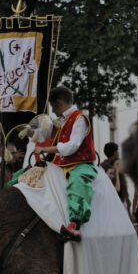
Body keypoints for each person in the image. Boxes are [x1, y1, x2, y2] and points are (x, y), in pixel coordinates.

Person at [31, 86, 98, 241]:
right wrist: (28, 130)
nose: (52, 111)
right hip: (58, 164)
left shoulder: (80, 118)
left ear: (59, 103)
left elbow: (71, 147)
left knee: (77, 182)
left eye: (53, 106)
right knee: (29, 173)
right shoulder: (59, 121)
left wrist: (44, 149)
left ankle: (75, 224)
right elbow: (42, 135)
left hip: (80, 164)